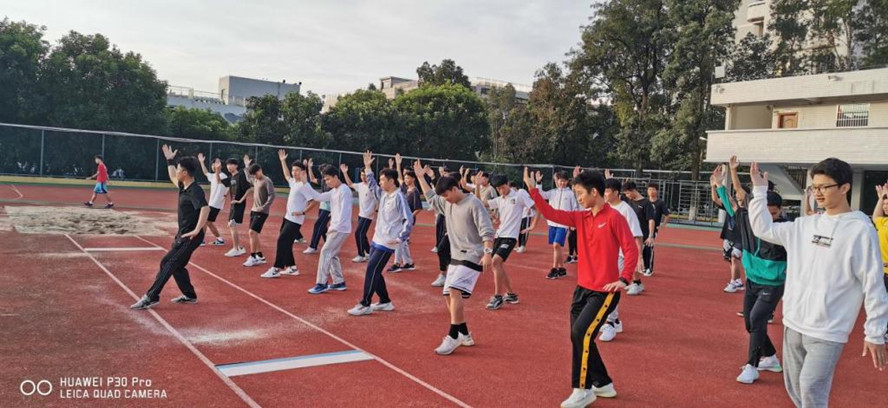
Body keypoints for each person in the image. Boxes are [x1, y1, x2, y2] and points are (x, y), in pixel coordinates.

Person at [748, 158, 888, 407]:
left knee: (811, 387)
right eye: (815, 187)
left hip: (828, 330)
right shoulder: (804, 225)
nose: (818, 193)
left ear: (844, 187)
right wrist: (759, 191)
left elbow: (873, 284)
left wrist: (875, 333)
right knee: (796, 390)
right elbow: (762, 229)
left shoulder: (860, 231)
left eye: (824, 187)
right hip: (794, 323)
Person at [524, 167, 638, 408]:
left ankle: (583, 389)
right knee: (579, 336)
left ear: (594, 192)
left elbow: (630, 248)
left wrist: (625, 278)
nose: (578, 198)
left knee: (580, 334)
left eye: (580, 193)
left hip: (604, 292)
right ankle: (603, 383)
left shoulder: (614, 217)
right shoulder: (580, 218)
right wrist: (533, 190)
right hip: (582, 289)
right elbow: (551, 213)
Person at [716, 158, 788, 384]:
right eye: (766, 213)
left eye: (774, 214)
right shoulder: (749, 219)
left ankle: (752, 366)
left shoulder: (786, 230)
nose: (769, 218)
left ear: (781, 211)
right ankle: (771, 358)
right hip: (753, 281)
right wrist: (720, 184)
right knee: (750, 323)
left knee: (757, 319)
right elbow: (732, 204)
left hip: (773, 284)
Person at [413, 159, 494, 355]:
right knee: (448, 295)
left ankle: (453, 335)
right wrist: (420, 178)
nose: (445, 199)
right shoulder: (447, 203)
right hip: (456, 255)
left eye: (447, 195)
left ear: (455, 188)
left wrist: (487, 253)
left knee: (454, 290)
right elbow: (432, 198)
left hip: (473, 255)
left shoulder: (473, 203)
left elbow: (487, 230)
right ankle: (464, 334)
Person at [131, 145, 209, 310]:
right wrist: (170, 161)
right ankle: (189, 295)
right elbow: (173, 176)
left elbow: (205, 208)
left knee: (168, 262)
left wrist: (197, 230)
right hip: (183, 233)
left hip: (191, 236)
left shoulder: (195, 191)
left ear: (185, 173)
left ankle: (151, 297)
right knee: (177, 266)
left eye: (179, 169)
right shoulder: (183, 186)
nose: (177, 172)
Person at [348, 151, 414, 316]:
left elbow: (409, 219)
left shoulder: (399, 197)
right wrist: (368, 168)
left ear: (391, 181)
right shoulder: (383, 194)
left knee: (372, 269)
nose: (380, 182)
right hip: (378, 238)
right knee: (374, 269)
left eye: (382, 180)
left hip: (388, 241)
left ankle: (365, 303)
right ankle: (385, 301)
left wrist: (400, 238)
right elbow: (372, 186)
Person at [477, 174, 534, 310]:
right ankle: (511, 294)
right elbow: (479, 202)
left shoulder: (519, 195)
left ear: (508, 184)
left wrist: (532, 226)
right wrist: (477, 186)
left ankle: (497, 296)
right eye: (498, 189)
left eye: (503, 187)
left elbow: (536, 207)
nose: (501, 191)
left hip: (511, 237)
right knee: (498, 266)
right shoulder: (499, 200)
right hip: (499, 235)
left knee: (495, 262)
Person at [598, 177, 643, 343]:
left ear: (616, 193)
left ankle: (610, 322)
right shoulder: (604, 208)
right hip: (606, 254)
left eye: (607, 191)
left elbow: (637, 235)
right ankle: (615, 321)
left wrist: (639, 257)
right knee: (603, 286)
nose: (604, 194)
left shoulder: (626, 210)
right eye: (604, 191)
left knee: (611, 287)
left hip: (621, 255)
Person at [260, 150, 314, 279]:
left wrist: (303, 212)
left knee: (282, 240)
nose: (294, 172)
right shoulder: (294, 182)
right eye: (293, 170)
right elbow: (286, 175)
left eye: (297, 170)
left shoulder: (304, 186)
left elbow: (313, 201)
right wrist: (283, 161)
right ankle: (292, 267)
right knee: (287, 242)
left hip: (295, 220)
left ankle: (276, 268)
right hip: (287, 217)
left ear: (303, 172)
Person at [304, 164, 353, 294]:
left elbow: (344, 212)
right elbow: (318, 197)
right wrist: (305, 184)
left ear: (336, 177)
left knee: (325, 252)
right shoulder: (333, 191)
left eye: (328, 179)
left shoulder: (344, 190)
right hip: (337, 227)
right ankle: (339, 282)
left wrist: (333, 228)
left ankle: (321, 283)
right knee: (332, 254)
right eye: (325, 180)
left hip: (340, 228)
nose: (326, 182)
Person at [539, 170, 580, 279]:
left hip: (563, 223)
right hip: (552, 223)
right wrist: (538, 183)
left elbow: (575, 208)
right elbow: (541, 195)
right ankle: (562, 269)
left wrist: (574, 223)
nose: (562, 183)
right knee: (556, 247)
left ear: (567, 181)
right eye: (560, 181)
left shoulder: (570, 194)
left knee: (556, 245)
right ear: (557, 181)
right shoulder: (553, 192)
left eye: (564, 181)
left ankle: (554, 269)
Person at [710, 166, 745, 293]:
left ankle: (734, 282)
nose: (737, 197)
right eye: (737, 196)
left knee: (735, 258)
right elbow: (717, 199)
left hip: (740, 238)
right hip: (729, 236)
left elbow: (726, 197)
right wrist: (714, 185)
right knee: (731, 260)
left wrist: (719, 184)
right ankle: (738, 281)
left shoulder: (746, 211)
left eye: (740, 196)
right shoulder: (732, 207)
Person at [621, 181, 655, 295]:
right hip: (629, 235)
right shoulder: (629, 201)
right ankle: (637, 282)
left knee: (635, 259)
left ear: (633, 191)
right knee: (629, 259)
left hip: (641, 236)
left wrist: (651, 236)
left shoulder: (646, 203)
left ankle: (636, 284)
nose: (627, 196)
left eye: (627, 193)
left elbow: (651, 220)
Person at [390, 153, 422, 272]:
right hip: (401, 219)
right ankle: (408, 262)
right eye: (406, 178)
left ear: (413, 179)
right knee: (402, 241)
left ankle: (397, 263)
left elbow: (418, 208)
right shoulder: (405, 187)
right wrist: (398, 164)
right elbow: (399, 177)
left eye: (408, 178)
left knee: (399, 240)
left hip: (407, 220)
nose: (406, 179)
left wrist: (409, 218)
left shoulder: (414, 192)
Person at [341, 163, 378, 263]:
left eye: (365, 175)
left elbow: (379, 199)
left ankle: (361, 255)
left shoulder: (373, 187)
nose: (363, 177)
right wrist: (345, 173)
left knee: (358, 233)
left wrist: (376, 208)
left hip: (368, 215)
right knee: (362, 234)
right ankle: (369, 252)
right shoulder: (360, 185)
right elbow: (350, 184)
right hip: (361, 214)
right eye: (362, 175)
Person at [242, 160, 276, 267]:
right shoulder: (255, 179)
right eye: (253, 175)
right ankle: (260, 256)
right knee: (254, 233)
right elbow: (248, 178)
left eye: (256, 174)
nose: (255, 176)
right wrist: (246, 166)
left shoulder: (267, 181)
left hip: (262, 211)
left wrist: (264, 206)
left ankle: (253, 257)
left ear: (260, 170)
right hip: (254, 210)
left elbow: (272, 195)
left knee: (252, 232)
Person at [197, 153, 227, 247]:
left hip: (216, 203)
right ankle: (219, 239)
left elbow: (220, 181)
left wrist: (217, 170)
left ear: (221, 166)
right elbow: (206, 173)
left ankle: (201, 240)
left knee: (205, 220)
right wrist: (202, 162)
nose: (214, 165)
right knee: (208, 222)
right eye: (213, 164)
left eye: (217, 163)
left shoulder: (223, 176)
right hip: (212, 203)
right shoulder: (213, 175)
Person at [223, 157, 251, 258]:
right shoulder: (231, 177)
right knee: (231, 225)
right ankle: (240, 247)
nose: (229, 167)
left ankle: (236, 249)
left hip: (238, 204)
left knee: (232, 225)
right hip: (233, 204)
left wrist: (240, 201)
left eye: (231, 164)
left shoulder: (240, 176)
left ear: (236, 166)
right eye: (228, 165)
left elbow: (248, 189)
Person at [872, 182, 888, 343]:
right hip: (883, 274)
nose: (885, 206)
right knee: (882, 304)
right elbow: (876, 217)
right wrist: (880, 198)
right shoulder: (884, 222)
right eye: (884, 204)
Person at [644, 182, 670, 276]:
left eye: (653, 189)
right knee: (642, 248)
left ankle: (649, 268)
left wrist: (663, 224)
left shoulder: (660, 203)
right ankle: (644, 266)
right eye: (649, 189)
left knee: (649, 248)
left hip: (653, 229)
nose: (651, 191)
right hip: (643, 228)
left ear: (657, 191)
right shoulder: (645, 202)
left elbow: (667, 215)